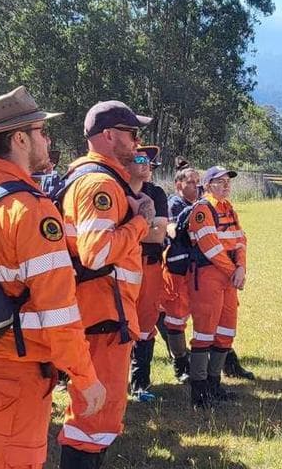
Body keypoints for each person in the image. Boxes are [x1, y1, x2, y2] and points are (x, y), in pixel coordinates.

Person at [0, 87, 105, 469]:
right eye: (42, 131)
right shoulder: (30, 209)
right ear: (20, 139)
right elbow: (57, 310)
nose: (48, 140)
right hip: (9, 376)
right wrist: (84, 376)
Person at [58, 100, 154, 467]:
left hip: (107, 314)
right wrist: (140, 222)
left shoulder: (102, 179)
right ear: (110, 135)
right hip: (102, 317)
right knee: (92, 419)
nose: (137, 141)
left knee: (100, 417)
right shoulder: (99, 183)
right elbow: (96, 254)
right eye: (132, 133)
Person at [183, 166, 247, 408]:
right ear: (208, 185)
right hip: (207, 276)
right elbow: (210, 246)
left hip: (229, 277)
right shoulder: (203, 209)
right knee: (204, 333)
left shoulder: (228, 208)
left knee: (226, 332)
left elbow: (241, 240)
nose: (226, 185)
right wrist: (234, 272)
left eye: (228, 181)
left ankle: (214, 385)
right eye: (220, 181)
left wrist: (241, 268)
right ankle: (199, 392)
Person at [127, 145, 169, 402]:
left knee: (145, 324)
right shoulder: (117, 190)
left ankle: (140, 382)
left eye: (149, 162)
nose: (147, 166)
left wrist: (129, 228)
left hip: (150, 265)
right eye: (141, 159)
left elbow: (158, 234)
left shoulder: (156, 193)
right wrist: (146, 224)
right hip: (121, 266)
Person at [161, 160, 199, 383]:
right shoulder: (174, 204)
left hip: (193, 270)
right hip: (176, 270)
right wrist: (192, 213)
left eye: (198, 182)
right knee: (176, 318)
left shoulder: (199, 203)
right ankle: (180, 365)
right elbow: (173, 231)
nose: (196, 186)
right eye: (191, 182)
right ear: (178, 185)